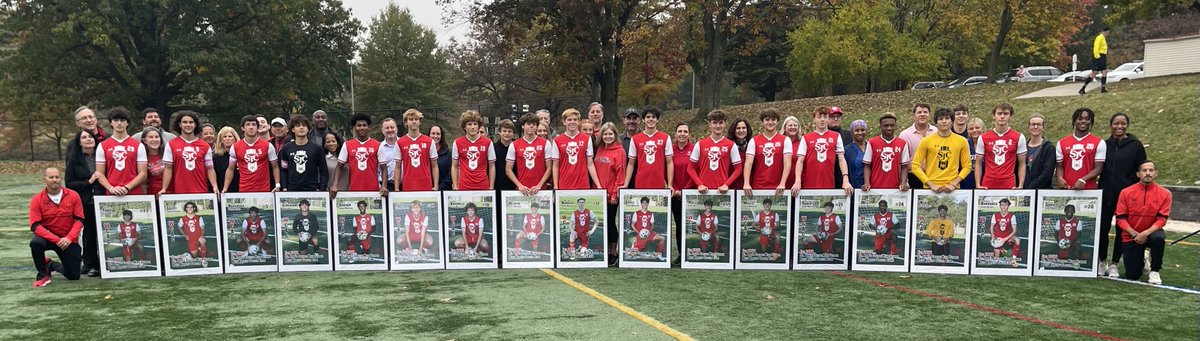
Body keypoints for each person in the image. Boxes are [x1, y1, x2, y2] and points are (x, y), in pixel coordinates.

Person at [1099, 112, 1146, 277]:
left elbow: (1142, 169)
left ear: (1127, 125)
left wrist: (1129, 185)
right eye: (1116, 123)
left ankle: (1114, 264)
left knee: (1122, 231)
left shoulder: (1136, 145)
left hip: (1126, 197)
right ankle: (1102, 261)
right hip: (1105, 195)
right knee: (1102, 229)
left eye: (1123, 123)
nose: (1119, 126)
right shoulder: (1104, 145)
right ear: (1110, 125)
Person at [1115, 160, 1170, 284]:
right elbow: (1120, 218)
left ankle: (1155, 271)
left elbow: (1162, 219)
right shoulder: (1126, 192)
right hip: (1131, 235)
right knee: (1132, 275)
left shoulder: (1165, 193)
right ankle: (1144, 258)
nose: (1148, 173)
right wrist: (1134, 234)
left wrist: (1145, 233)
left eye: (1151, 170)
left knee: (1158, 237)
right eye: (1144, 170)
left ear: (1156, 173)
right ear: (1138, 174)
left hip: (1150, 233)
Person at [29, 167, 84, 286]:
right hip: (48, 238)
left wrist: (69, 238)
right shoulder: (37, 199)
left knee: (74, 276)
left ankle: (50, 265)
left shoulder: (74, 196)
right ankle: (43, 275)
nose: (55, 180)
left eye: (57, 177)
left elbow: (79, 220)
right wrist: (57, 240)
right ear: (45, 179)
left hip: (68, 240)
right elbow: (35, 226)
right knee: (35, 243)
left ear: (61, 178)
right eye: (51, 177)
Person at [65, 130, 102, 277]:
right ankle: (90, 263)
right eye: (84, 138)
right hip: (86, 201)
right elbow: (69, 183)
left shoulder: (102, 156)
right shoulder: (74, 160)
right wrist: (89, 182)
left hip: (104, 198)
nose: (88, 139)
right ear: (79, 142)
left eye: (90, 137)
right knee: (89, 232)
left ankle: (103, 262)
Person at [791, 106, 853, 196]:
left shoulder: (836, 136)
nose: (822, 120)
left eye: (825, 117)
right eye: (819, 117)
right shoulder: (806, 138)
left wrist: (846, 179)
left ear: (828, 119)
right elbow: (800, 161)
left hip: (829, 182)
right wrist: (797, 181)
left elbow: (841, 159)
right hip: (809, 183)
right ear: (814, 119)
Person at [910, 108, 972, 193]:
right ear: (936, 123)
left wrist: (954, 184)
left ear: (952, 121)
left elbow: (967, 166)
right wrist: (930, 184)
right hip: (930, 189)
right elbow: (915, 166)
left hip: (953, 189)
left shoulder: (962, 141)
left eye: (947, 118)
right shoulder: (926, 141)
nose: (944, 121)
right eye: (940, 119)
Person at [161, 111, 219, 194]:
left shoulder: (205, 145)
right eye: (185, 122)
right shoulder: (171, 144)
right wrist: (164, 188)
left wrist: (215, 186)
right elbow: (168, 168)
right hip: (180, 191)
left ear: (195, 125)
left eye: (191, 122)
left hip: (201, 190)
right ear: (180, 125)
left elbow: (210, 168)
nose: (188, 125)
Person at [593, 123, 626, 266]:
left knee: (610, 222)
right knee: (601, 223)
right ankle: (605, 250)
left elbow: (620, 174)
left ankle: (613, 252)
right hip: (598, 194)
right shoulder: (599, 149)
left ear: (615, 135)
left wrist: (614, 194)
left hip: (611, 195)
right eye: (605, 134)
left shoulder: (620, 151)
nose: (607, 136)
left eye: (610, 134)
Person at [95, 108, 148, 196]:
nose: (119, 123)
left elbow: (143, 174)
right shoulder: (102, 146)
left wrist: (127, 187)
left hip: (134, 193)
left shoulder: (138, 145)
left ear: (127, 123)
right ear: (111, 123)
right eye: (116, 120)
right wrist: (111, 188)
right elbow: (99, 173)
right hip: (112, 194)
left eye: (122, 120)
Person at [974, 103, 1027, 189]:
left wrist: (1020, 185)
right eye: (999, 113)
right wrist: (978, 184)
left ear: (1010, 116)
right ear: (993, 116)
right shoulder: (983, 137)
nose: (1002, 116)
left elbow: (1022, 164)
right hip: (988, 183)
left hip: (1009, 183)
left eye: (1005, 114)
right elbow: (978, 163)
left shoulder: (1019, 137)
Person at [222, 115, 281, 193]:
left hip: (263, 190)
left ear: (257, 128)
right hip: (244, 190)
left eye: (253, 124)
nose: (251, 127)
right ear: (243, 128)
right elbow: (230, 169)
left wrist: (277, 185)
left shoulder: (267, 146)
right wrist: (225, 188)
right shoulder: (235, 147)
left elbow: (275, 166)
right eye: (248, 124)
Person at [689, 110, 742, 194]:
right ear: (709, 124)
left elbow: (738, 169)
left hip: (722, 192)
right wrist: (699, 184)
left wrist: (726, 184)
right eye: (714, 123)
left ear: (725, 124)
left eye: (721, 122)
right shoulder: (700, 144)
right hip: (704, 191)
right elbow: (690, 168)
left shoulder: (731, 145)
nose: (718, 126)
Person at [742, 108, 793, 195]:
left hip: (778, 187)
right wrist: (746, 183)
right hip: (757, 186)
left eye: (773, 119)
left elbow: (787, 163)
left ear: (777, 122)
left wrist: (782, 183)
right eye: (767, 120)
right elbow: (748, 163)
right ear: (762, 122)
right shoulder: (754, 140)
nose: (770, 122)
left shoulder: (785, 140)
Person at [332, 113, 386, 195]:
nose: (362, 128)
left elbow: (384, 168)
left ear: (368, 127)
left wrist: (384, 186)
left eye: (364, 125)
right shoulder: (347, 145)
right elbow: (339, 166)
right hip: (354, 190)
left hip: (374, 191)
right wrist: (335, 185)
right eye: (359, 125)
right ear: (354, 128)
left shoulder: (378, 145)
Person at [506, 113, 557, 195]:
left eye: (534, 124)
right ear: (523, 126)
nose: (531, 126)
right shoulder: (514, 144)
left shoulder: (545, 143)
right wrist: (520, 185)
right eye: (528, 124)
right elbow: (508, 170)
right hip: (522, 190)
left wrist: (539, 185)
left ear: (537, 127)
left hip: (541, 190)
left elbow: (549, 167)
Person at [1055, 108, 1106, 190]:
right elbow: (1060, 166)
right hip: (1067, 189)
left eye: (1087, 119)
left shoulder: (1099, 142)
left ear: (1091, 121)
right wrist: (1059, 177)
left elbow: (1098, 168)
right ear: (1074, 121)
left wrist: (1083, 179)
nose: (1083, 121)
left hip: (1088, 190)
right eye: (1080, 118)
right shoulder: (1061, 143)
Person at [552, 108, 601, 190]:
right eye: (569, 120)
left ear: (578, 122)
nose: (572, 122)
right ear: (564, 122)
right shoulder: (557, 140)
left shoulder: (586, 139)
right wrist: (556, 186)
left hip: (583, 184)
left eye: (575, 119)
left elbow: (590, 164)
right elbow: (555, 165)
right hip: (564, 184)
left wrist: (598, 184)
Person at [279, 115, 329, 191]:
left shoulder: (317, 148)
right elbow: (284, 169)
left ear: (308, 129)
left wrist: (322, 189)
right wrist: (285, 187)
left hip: (312, 190)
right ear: (292, 129)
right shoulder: (286, 148)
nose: (301, 127)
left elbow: (324, 171)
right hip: (292, 190)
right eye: (298, 126)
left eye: (304, 125)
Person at [862, 113, 910, 191]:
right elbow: (867, 165)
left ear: (895, 126)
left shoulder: (902, 143)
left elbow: (904, 166)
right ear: (880, 126)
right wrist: (867, 183)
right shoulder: (872, 142)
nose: (889, 128)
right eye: (886, 125)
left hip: (895, 188)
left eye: (892, 125)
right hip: (875, 187)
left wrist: (903, 183)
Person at [395, 110, 440, 192]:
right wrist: (396, 188)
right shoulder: (400, 142)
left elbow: (434, 165)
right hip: (408, 186)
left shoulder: (429, 141)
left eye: (416, 119)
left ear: (420, 122)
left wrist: (436, 186)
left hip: (426, 185)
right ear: (406, 122)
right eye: (411, 119)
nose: (414, 122)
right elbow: (397, 167)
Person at [452, 111, 496, 190]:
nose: (473, 127)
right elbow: (454, 166)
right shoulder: (457, 142)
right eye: (469, 124)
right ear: (464, 127)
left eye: (475, 124)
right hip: (464, 185)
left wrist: (491, 187)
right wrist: (455, 186)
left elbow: (492, 166)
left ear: (479, 126)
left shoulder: (488, 142)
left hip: (483, 185)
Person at [900, 103, 936, 189]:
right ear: (913, 115)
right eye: (919, 112)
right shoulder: (905, 135)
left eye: (925, 112)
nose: (922, 114)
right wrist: (904, 181)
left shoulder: (937, 132)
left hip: (935, 176)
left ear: (930, 115)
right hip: (913, 176)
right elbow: (902, 161)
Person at [670, 122, 694, 252]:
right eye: (680, 131)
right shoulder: (670, 149)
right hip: (674, 194)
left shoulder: (695, 148)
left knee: (689, 225)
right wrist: (673, 188)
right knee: (679, 225)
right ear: (675, 134)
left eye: (685, 131)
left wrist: (685, 190)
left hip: (690, 193)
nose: (682, 134)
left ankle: (691, 253)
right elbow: (666, 170)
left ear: (689, 134)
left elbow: (696, 171)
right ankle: (680, 254)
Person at [1023, 114, 1056, 189]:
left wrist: (1031, 188)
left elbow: (1047, 173)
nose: (1035, 127)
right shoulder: (1022, 147)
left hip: (1042, 191)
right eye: (1033, 124)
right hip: (1024, 191)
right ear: (1028, 127)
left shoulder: (1049, 148)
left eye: (1039, 124)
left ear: (1043, 128)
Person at [1079, 27, 1110, 95]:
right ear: (1105, 31)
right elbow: (1096, 48)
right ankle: (1082, 89)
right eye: (1108, 32)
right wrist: (1097, 57)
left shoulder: (1103, 38)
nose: (1108, 33)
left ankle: (1103, 88)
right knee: (1094, 74)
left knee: (1104, 71)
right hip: (1099, 57)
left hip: (1103, 56)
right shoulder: (1099, 38)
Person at [212, 127, 240, 193]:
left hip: (240, 191)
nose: (227, 139)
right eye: (225, 136)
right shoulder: (216, 157)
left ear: (235, 138)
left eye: (230, 136)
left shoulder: (241, 155)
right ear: (221, 139)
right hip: (223, 192)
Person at [141, 127, 167, 194]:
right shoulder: (142, 157)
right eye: (151, 137)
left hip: (172, 193)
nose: (154, 139)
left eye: (157, 137)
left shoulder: (168, 153)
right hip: (153, 194)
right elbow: (142, 182)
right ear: (144, 140)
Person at [727, 118, 752, 190]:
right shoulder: (728, 146)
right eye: (738, 128)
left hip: (748, 187)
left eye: (744, 128)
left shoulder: (752, 145)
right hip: (731, 187)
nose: (741, 131)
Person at [493, 119, 517, 192]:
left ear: (513, 133)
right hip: (497, 185)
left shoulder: (517, 147)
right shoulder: (493, 148)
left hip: (514, 185)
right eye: (504, 131)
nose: (507, 133)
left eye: (509, 131)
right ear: (499, 132)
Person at [960, 118, 984, 190]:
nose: (974, 130)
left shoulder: (988, 143)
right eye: (971, 128)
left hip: (983, 179)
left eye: (977, 128)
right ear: (968, 131)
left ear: (983, 129)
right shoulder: (964, 144)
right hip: (966, 180)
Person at [844, 119, 868, 189]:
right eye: (857, 130)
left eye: (862, 130)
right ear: (852, 132)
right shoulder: (847, 150)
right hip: (854, 187)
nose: (860, 133)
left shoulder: (871, 147)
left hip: (871, 188)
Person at [378, 118, 400, 191]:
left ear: (396, 129)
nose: (390, 130)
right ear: (382, 131)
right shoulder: (378, 147)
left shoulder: (404, 144)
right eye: (387, 128)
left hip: (403, 185)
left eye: (392, 127)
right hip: (386, 187)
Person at [782, 116, 802, 189]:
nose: (793, 127)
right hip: (782, 182)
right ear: (784, 128)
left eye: (795, 125)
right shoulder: (780, 142)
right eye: (790, 125)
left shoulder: (802, 143)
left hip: (798, 182)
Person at [430, 125, 453, 190]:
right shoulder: (424, 153)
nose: (435, 136)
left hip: (445, 190)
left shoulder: (448, 153)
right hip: (428, 189)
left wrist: (440, 188)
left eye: (438, 134)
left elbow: (451, 172)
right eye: (433, 133)